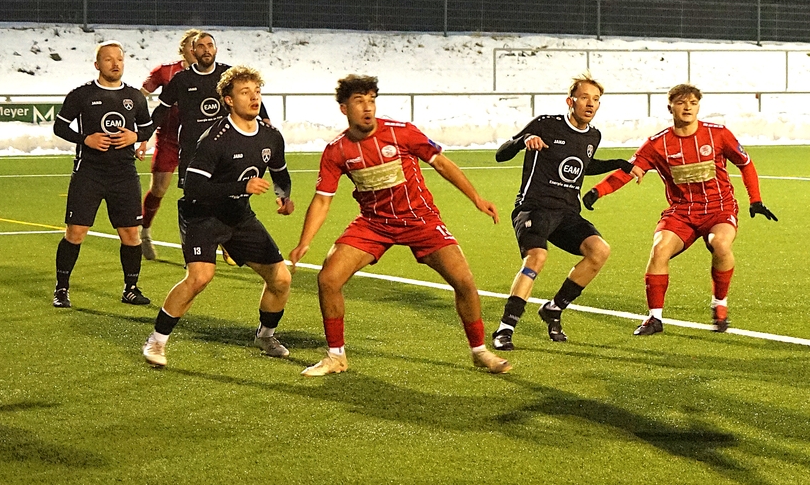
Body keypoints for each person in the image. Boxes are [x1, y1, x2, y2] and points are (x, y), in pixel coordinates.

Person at [289, 75, 511, 376]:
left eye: (371, 100)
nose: (368, 107)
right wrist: (304, 242)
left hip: (420, 219)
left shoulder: (401, 132)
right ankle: (336, 356)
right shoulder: (337, 151)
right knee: (328, 278)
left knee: (464, 281)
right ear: (344, 109)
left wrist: (476, 198)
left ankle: (480, 351)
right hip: (374, 223)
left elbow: (441, 163)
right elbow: (322, 200)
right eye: (359, 101)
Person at [583, 83, 777, 335]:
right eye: (681, 103)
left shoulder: (718, 134)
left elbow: (745, 164)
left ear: (698, 107)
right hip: (681, 212)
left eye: (693, 103)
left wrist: (755, 200)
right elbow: (629, 171)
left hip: (719, 209)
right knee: (659, 249)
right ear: (670, 107)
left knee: (720, 244)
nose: (687, 107)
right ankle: (654, 318)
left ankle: (719, 303)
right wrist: (598, 191)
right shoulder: (657, 144)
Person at [142, 66, 294, 367]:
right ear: (228, 100)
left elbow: (280, 172)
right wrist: (242, 186)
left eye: (257, 91)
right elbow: (194, 187)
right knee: (200, 277)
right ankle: (156, 341)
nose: (254, 98)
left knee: (281, 279)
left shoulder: (271, 136)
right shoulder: (215, 138)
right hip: (202, 214)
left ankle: (265, 335)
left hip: (238, 214)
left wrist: (283, 195)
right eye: (245, 92)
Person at [491, 74, 633, 351]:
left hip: (567, 213)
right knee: (537, 257)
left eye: (596, 100)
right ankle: (505, 328)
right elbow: (501, 154)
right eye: (584, 98)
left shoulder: (593, 135)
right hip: (534, 208)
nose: (590, 104)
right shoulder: (546, 124)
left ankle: (554, 309)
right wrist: (524, 140)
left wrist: (618, 163)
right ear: (570, 101)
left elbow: (583, 165)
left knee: (599, 251)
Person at [51, 41, 156, 309]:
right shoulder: (81, 95)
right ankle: (61, 289)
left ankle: (130, 289)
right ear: (97, 64)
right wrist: (85, 139)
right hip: (89, 172)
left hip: (124, 173)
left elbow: (147, 128)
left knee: (130, 234)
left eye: (119, 59)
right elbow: (60, 126)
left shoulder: (134, 96)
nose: (115, 63)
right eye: (108, 59)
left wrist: (136, 136)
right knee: (76, 232)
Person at [150, 31, 269, 266]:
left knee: (232, 193)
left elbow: (252, 97)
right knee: (194, 198)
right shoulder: (181, 80)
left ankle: (228, 241)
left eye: (210, 45)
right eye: (201, 46)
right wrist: (143, 136)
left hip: (226, 149)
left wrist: (265, 120)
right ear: (192, 51)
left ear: (216, 49)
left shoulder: (228, 75)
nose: (206, 50)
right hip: (193, 151)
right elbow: (161, 109)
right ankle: (193, 249)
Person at [136, 28, 202, 260]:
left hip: (198, 141)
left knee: (207, 190)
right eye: (192, 44)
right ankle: (144, 231)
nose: (196, 49)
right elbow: (139, 97)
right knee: (159, 189)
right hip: (169, 138)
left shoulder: (211, 74)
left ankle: (222, 239)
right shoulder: (166, 71)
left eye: (200, 45)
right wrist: (142, 133)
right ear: (183, 48)